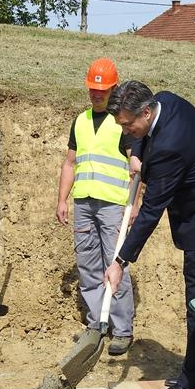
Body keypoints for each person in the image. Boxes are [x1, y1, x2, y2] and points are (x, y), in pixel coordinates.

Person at [104, 81, 195, 389]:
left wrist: (120, 261)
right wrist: (136, 154)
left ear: (146, 111)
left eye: (128, 125)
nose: (125, 131)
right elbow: (138, 136)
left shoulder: (170, 145)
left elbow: (152, 209)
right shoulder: (164, 101)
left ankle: (191, 384)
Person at [56, 58, 137, 355]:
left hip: (114, 205)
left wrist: (136, 204)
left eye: (102, 90)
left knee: (115, 265)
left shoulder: (123, 123)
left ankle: (122, 330)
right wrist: (62, 199)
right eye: (93, 89)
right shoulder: (80, 121)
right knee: (88, 266)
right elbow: (70, 163)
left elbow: (136, 168)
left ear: (114, 89)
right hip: (84, 203)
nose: (97, 95)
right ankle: (95, 325)